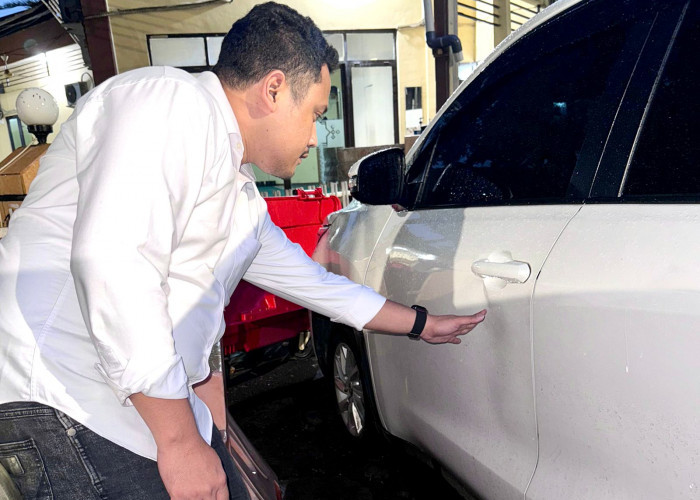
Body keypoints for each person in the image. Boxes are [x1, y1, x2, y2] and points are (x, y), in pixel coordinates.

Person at [0, 2, 486, 499]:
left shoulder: (238, 196)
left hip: (131, 401)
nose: (315, 138)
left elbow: (316, 286)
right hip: (66, 392)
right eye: (315, 114)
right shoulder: (166, 100)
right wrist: (182, 442)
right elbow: (112, 263)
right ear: (274, 89)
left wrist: (423, 324)